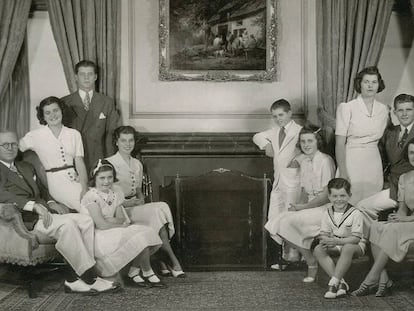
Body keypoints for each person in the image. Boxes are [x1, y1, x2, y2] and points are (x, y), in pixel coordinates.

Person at [0, 129, 120, 294]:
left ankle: (74, 278)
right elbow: (2, 194)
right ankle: (90, 278)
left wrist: (50, 202)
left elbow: (42, 189)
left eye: (13, 144)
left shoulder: (25, 167)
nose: (10, 147)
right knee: (68, 225)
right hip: (24, 221)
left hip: (45, 215)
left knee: (86, 220)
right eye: (5, 144)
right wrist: (32, 205)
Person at [106, 126, 185, 277]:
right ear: (116, 142)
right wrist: (128, 203)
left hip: (135, 207)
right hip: (121, 210)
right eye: (123, 141)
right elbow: (108, 197)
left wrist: (141, 199)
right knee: (158, 212)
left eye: (131, 140)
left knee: (160, 210)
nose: (127, 144)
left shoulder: (137, 164)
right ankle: (170, 260)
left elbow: (138, 191)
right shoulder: (109, 163)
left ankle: (162, 260)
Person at [80, 159, 165, 287]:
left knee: (144, 231)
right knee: (136, 234)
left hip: (112, 229)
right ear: (94, 178)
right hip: (96, 236)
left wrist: (113, 221)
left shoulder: (114, 194)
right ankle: (146, 272)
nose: (106, 181)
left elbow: (120, 218)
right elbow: (101, 225)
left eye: (109, 177)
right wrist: (116, 223)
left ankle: (136, 271)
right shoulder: (91, 196)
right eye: (102, 178)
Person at [352, 138, 414, 297]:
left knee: (392, 230)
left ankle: (372, 277)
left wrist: (405, 220)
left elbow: (406, 218)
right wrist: (397, 217)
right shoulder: (405, 178)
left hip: (411, 223)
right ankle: (384, 278)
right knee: (376, 227)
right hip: (408, 224)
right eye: (412, 152)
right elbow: (402, 209)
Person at [277, 125, 336, 283]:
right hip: (310, 206)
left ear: (318, 142)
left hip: (325, 209)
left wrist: (303, 208)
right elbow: (304, 191)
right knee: (275, 224)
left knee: (287, 222)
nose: (306, 145)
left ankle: (312, 264)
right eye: (303, 141)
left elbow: (326, 196)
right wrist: (297, 207)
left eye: (310, 141)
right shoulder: (305, 161)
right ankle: (311, 260)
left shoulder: (325, 161)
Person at [253, 99, 302, 269]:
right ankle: (284, 257)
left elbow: (311, 148)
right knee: (275, 216)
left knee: (291, 218)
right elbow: (257, 136)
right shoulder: (275, 131)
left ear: (289, 113)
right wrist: (266, 145)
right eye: (275, 116)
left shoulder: (300, 131)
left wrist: (298, 160)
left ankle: (294, 257)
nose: (278, 119)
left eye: (281, 115)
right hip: (279, 181)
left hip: (294, 181)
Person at [19, 96, 87, 212]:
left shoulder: (74, 134)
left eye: (55, 110)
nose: (53, 115)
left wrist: (84, 188)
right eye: (47, 113)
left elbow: (79, 162)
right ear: (43, 116)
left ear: (62, 110)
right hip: (56, 182)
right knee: (88, 208)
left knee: (95, 199)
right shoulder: (35, 136)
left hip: (76, 180)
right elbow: (13, 148)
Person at [357, 94, 414, 226]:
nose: (404, 114)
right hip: (391, 184)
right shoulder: (390, 132)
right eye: (400, 110)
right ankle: (373, 239)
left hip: (409, 188)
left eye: (409, 109)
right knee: (359, 203)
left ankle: (367, 242)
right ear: (395, 112)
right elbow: (380, 157)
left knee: (362, 207)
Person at [335, 66, 389, 205]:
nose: (370, 85)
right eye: (366, 82)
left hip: (373, 161)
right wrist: (343, 172)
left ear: (379, 85)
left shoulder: (383, 110)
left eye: (374, 82)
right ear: (359, 84)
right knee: (350, 202)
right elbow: (340, 144)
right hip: (352, 160)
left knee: (371, 203)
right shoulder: (347, 107)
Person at [313, 178, 366, 299]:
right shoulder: (327, 213)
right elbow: (324, 233)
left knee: (347, 248)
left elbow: (356, 239)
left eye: (343, 195)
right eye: (335, 196)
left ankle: (333, 284)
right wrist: (326, 241)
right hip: (336, 243)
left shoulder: (355, 213)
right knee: (318, 249)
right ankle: (341, 283)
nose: (339, 199)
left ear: (349, 195)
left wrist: (336, 241)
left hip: (355, 246)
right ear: (329, 197)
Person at [62, 60, 119, 171]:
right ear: (76, 77)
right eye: (82, 74)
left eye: (90, 74)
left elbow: (110, 134)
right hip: (73, 159)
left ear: (95, 77)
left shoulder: (107, 102)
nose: (86, 78)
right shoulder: (65, 102)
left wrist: (108, 161)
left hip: (98, 158)